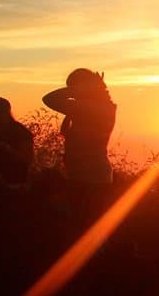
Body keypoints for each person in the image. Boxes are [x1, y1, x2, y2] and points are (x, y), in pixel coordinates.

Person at [42, 69, 117, 228]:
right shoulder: (96, 106)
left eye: (73, 87)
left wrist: (79, 89)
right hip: (84, 174)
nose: (72, 94)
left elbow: (49, 99)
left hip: (91, 177)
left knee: (84, 227)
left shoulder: (92, 108)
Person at [0, 97, 34, 190]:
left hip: (15, 180)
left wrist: (5, 148)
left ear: (6, 112)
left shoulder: (20, 131)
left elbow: (27, 159)